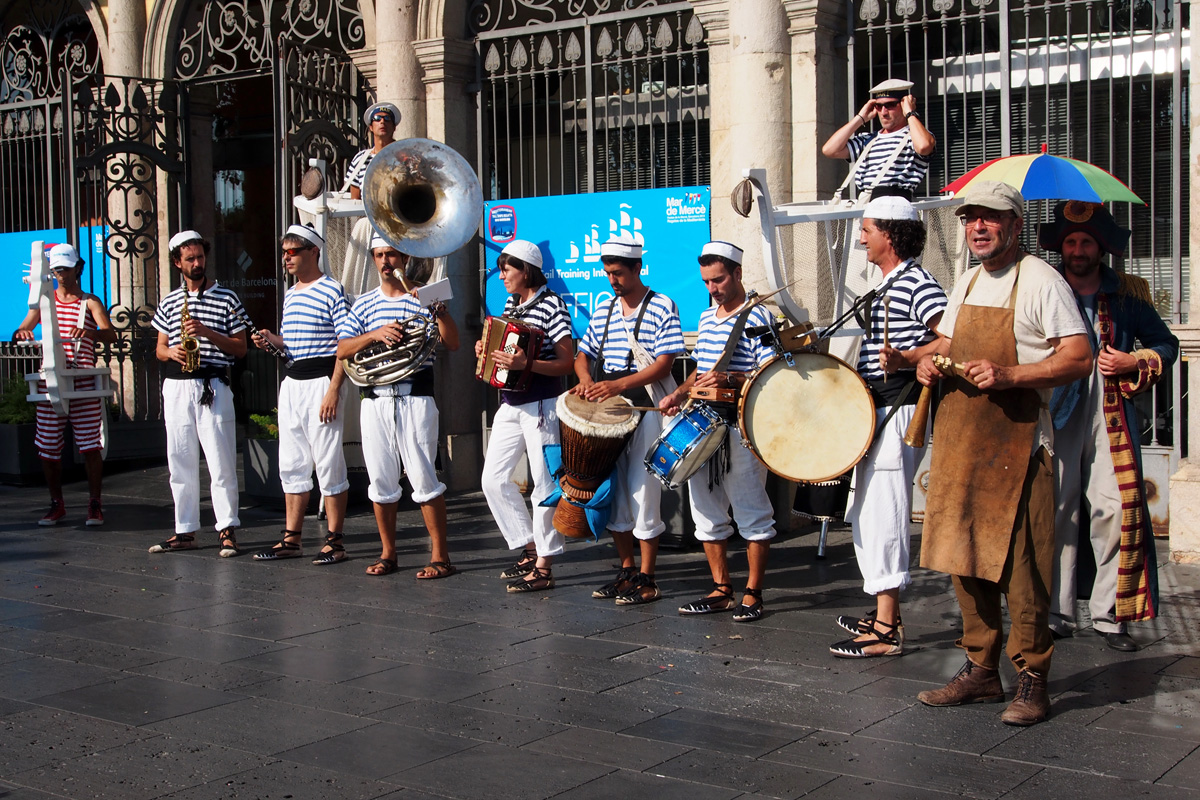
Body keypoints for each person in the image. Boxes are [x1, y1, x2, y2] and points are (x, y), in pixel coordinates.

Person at [915, 182, 1091, 726]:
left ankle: (1032, 678)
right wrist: (915, 358)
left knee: (1024, 569)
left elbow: (1079, 356)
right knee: (960, 558)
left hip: (1019, 444)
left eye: (990, 219)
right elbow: (946, 343)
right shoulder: (966, 280)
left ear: (1016, 227)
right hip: (962, 441)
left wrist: (1012, 373)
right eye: (971, 220)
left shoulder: (1041, 281)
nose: (978, 229)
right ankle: (981, 670)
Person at [1039, 201, 1178, 652]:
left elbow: (1166, 343)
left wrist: (1134, 358)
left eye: (1086, 242)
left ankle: (1109, 614)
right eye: (1071, 242)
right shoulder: (1046, 286)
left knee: (1115, 509)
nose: (1078, 250)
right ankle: (1056, 613)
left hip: (1111, 410)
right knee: (1057, 509)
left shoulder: (1128, 293)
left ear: (1101, 248)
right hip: (1057, 405)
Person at [829, 197, 947, 657]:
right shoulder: (886, 283)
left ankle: (886, 629)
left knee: (886, 512)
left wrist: (909, 357)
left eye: (867, 229)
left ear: (891, 234)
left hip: (899, 406)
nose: (861, 237)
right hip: (875, 407)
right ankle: (883, 611)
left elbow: (949, 335)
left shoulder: (916, 281)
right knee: (866, 511)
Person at [659, 241, 775, 622]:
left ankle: (753, 593)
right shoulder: (707, 318)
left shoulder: (758, 316)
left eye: (719, 279)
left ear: (738, 273)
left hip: (741, 425)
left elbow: (772, 373)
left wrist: (731, 376)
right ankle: (722, 588)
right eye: (707, 281)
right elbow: (700, 370)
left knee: (751, 512)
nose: (713, 288)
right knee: (705, 513)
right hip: (702, 423)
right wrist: (678, 391)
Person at [337, 233, 459, 579]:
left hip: (415, 397)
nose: (385, 261)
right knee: (380, 480)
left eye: (391, 254)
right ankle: (388, 553)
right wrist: (375, 335)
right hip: (375, 399)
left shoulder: (425, 295)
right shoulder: (363, 304)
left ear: (404, 258)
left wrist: (439, 313)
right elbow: (343, 349)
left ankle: (440, 556)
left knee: (424, 477)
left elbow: (452, 343)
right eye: (378, 255)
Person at [574, 236, 684, 605]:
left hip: (646, 411)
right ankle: (626, 571)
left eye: (618, 273)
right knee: (616, 496)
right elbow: (583, 354)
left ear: (638, 268)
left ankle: (648, 578)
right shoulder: (605, 309)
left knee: (643, 494)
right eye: (607, 273)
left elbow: (664, 364)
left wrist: (617, 384)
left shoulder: (662, 305)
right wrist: (587, 381)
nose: (613, 280)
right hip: (609, 416)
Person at [250, 224, 353, 565]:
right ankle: (291, 538)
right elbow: (293, 344)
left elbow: (345, 344)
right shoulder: (291, 293)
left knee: (327, 461)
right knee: (292, 462)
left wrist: (334, 390)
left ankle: (335, 541)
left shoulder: (332, 290)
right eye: (284, 252)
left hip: (320, 381)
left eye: (292, 252)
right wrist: (271, 339)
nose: (286, 258)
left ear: (313, 252)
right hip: (292, 382)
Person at [478, 240, 575, 593]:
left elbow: (567, 362)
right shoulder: (511, 304)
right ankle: (529, 545)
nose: (502, 275)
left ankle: (545, 565)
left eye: (508, 268)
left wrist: (527, 364)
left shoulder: (553, 306)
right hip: (510, 402)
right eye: (502, 268)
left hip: (541, 406)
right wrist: (486, 347)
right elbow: (502, 346)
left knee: (543, 485)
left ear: (527, 271)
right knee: (492, 479)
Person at [149, 230, 249, 556]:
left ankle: (227, 528)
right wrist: (172, 352)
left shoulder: (227, 298)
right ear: (178, 262)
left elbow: (241, 348)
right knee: (179, 461)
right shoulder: (169, 301)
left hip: (213, 384)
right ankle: (185, 530)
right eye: (190, 259)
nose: (196, 263)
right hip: (177, 385)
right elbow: (159, 349)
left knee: (220, 461)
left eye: (200, 257)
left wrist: (206, 332)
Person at [14, 243, 116, 526]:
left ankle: (95, 503)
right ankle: (56, 503)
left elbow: (110, 334)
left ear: (77, 268)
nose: (60, 274)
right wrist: (22, 332)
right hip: (51, 381)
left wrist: (91, 332)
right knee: (47, 446)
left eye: (65, 269)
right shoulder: (46, 301)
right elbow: (24, 325)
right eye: (56, 269)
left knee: (90, 446)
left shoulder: (90, 301)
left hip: (81, 379)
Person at [820, 78, 936, 202]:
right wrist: (860, 118)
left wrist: (910, 113)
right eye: (878, 106)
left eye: (890, 105)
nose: (883, 112)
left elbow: (924, 146)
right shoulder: (868, 139)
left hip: (896, 202)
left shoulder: (914, 136)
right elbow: (830, 150)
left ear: (903, 104)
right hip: (867, 204)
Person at [344, 102, 400, 200]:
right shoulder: (360, 159)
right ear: (371, 127)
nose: (382, 122)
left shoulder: (404, 156)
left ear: (394, 127)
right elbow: (355, 199)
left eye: (387, 119)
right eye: (377, 119)